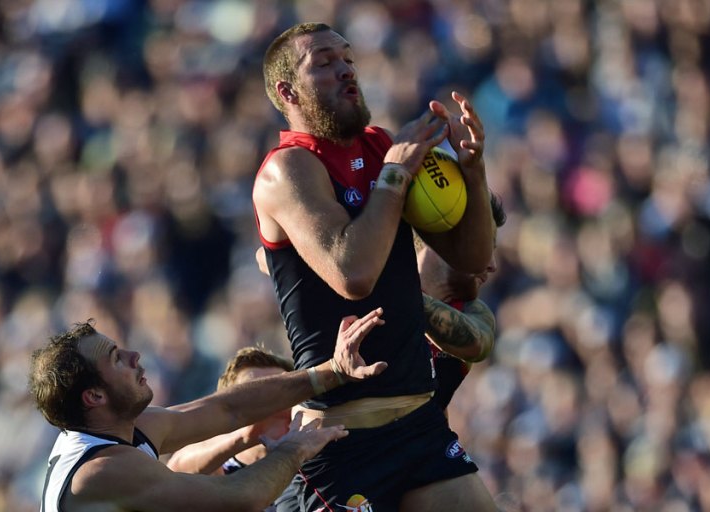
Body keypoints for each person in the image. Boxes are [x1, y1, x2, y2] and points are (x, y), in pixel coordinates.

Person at [252, 22, 497, 511]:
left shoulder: (378, 146)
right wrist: (395, 173)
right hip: (345, 439)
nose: (345, 70)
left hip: (419, 423)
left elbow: (470, 258)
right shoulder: (287, 169)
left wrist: (473, 170)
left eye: (347, 59)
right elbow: (353, 275)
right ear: (287, 91)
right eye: (323, 63)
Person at [29, 308, 387, 512]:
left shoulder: (123, 426)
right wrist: (295, 448)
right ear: (94, 397)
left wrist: (331, 372)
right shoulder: (102, 471)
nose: (134, 356)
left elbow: (228, 408)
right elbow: (239, 497)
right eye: (115, 358)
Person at [418, 193, 507, 412]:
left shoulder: (473, 313)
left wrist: (395, 294)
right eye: (486, 246)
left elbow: (476, 343)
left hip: (427, 444)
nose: (493, 265)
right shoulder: (365, 293)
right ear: (445, 239)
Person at [166, 347, 295, 475]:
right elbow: (175, 469)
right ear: (228, 407)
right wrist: (247, 435)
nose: (270, 402)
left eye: (280, 390)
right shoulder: (219, 468)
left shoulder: (310, 456)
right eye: (253, 393)